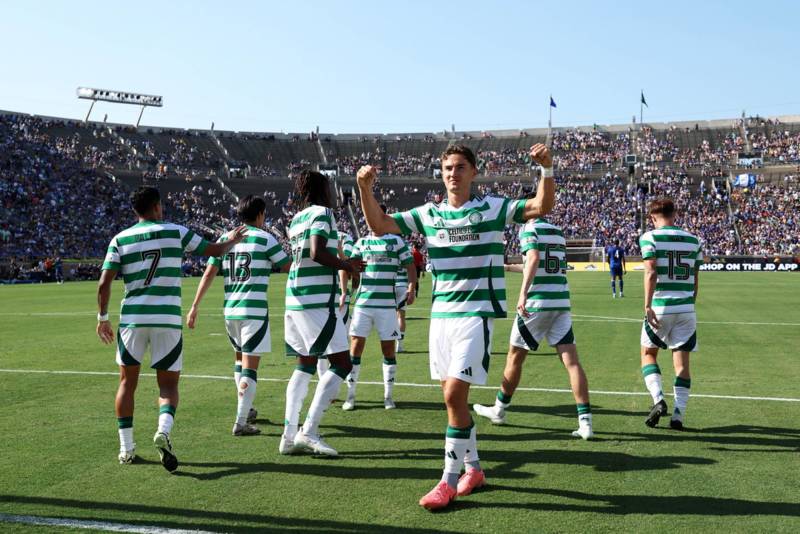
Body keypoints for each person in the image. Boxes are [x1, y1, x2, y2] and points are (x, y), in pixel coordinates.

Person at [357, 143, 554, 510]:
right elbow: (379, 225)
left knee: (453, 396)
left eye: (460, 167)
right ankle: (474, 468)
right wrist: (364, 189)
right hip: (441, 318)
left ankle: (447, 482)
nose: (453, 173)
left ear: (473, 172)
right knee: (454, 400)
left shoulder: (492, 208)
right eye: (448, 167)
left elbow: (540, 206)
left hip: (476, 314)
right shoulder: (429, 214)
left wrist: (546, 169)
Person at [96, 186, 246, 471]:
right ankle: (163, 431)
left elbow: (104, 283)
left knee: (127, 383)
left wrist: (103, 317)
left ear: (135, 210)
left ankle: (126, 448)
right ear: (157, 206)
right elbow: (213, 250)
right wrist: (233, 239)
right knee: (168, 385)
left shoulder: (120, 239)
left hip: (132, 320)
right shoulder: (175, 232)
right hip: (166, 319)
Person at [474, 216, 593, 439]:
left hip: (537, 304)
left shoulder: (529, 229)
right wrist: (508, 267)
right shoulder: (557, 231)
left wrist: (523, 293)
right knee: (572, 363)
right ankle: (585, 423)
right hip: (560, 302)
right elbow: (539, 264)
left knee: (515, 358)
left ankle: (499, 410)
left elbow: (534, 258)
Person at [186, 195, 291, 436]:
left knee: (238, 360)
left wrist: (194, 306)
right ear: (260, 215)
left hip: (230, 311)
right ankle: (241, 421)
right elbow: (289, 267)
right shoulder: (265, 239)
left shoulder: (226, 238)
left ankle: (247, 407)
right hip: (253, 311)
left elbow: (208, 274)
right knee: (250, 367)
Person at [280, 170, 365, 457]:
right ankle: (309, 430)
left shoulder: (296, 219)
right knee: (342, 363)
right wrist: (347, 265)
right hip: (315, 300)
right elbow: (316, 252)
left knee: (304, 365)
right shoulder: (323, 213)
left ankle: (288, 436)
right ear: (322, 190)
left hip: (294, 298)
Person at [639, 198, 702, 430]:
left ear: (652, 217)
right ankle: (678, 415)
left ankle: (658, 399)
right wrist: (689, 304)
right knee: (682, 364)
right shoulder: (694, 240)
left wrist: (647, 306)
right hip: (686, 308)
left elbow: (651, 272)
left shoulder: (650, 237)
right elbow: (695, 279)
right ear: (674, 214)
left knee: (648, 354)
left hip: (661, 305)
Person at [342, 228, 416, 410]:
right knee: (355, 347)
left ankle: (388, 397)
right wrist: (353, 268)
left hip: (387, 306)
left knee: (389, 349)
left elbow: (410, 265)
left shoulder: (396, 241)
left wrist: (411, 287)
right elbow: (351, 269)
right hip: (363, 304)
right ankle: (350, 396)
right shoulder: (361, 243)